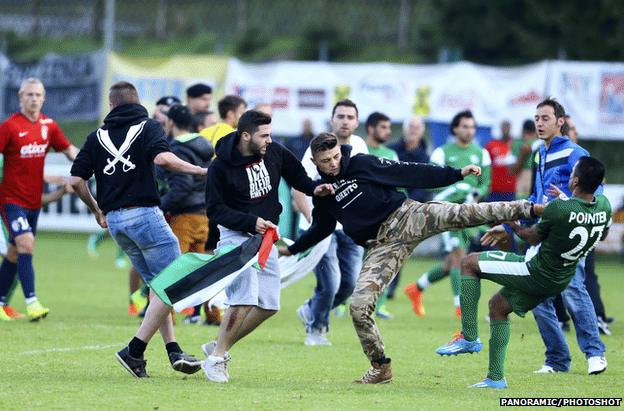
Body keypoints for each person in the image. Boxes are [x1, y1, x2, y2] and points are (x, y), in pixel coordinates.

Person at [279, 132, 542, 384]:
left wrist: (455, 174)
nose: (333, 163)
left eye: (336, 156)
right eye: (326, 161)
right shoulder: (322, 194)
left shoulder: (361, 163)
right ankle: (380, 367)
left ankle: (529, 208)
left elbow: (409, 171)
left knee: (464, 213)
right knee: (358, 307)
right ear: (315, 162)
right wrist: (292, 249)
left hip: (408, 217)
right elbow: (321, 228)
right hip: (381, 247)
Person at [70, 81, 207, 378]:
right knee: (173, 283)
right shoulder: (149, 127)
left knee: (160, 289)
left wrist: (97, 210)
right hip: (145, 216)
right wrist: (199, 170)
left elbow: (76, 181)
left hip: (117, 224)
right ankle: (134, 350)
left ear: (111, 105)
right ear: (137, 102)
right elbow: (163, 159)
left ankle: (173, 351)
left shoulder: (96, 137)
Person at [436, 157, 611, 389]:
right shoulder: (604, 206)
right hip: (560, 278)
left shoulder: (560, 208)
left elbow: (531, 236)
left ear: (575, 181)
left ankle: (468, 337)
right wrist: (566, 202)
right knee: (498, 306)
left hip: (534, 270)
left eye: (571, 174)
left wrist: (512, 223)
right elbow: (600, 233)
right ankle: (496, 378)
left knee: (468, 263)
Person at [201, 110, 334, 383]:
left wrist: (315, 188)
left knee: (269, 305)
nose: (269, 140)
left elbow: (297, 175)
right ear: (245, 135)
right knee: (244, 298)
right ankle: (216, 360)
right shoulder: (220, 167)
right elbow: (215, 210)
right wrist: (250, 221)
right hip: (236, 237)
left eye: (270, 134)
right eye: (264, 135)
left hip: (266, 237)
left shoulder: (274, 151)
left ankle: (218, 346)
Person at [482, 98, 608, 376]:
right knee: (538, 299)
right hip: (541, 238)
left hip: (566, 237)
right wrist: (505, 227)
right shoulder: (539, 153)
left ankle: (595, 354)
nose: (539, 122)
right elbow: (536, 198)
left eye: (545, 118)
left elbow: (596, 193)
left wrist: (570, 204)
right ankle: (557, 359)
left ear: (560, 122)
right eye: (537, 118)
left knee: (574, 291)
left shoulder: (576, 153)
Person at [0, 77, 80, 322]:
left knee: (14, 253)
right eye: (29, 94)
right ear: (20, 97)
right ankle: (33, 303)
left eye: (38, 95)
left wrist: (88, 165)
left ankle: (1, 302)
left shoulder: (49, 125)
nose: (34, 99)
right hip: (11, 200)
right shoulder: (9, 127)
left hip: (34, 201)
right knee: (26, 244)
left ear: (44, 98)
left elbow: (68, 150)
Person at [291, 99, 368, 346]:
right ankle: (316, 330)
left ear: (356, 122)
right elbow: (299, 189)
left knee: (350, 284)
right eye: (340, 116)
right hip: (322, 227)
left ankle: (311, 309)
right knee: (330, 281)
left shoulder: (360, 145)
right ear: (332, 119)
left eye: (350, 117)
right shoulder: (317, 148)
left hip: (350, 226)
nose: (345, 121)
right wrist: (313, 221)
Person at [404, 110, 491, 318]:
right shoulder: (441, 153)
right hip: (446, 212)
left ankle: (416, 288)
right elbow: (433, 182)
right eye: (465, 126)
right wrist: (459, 191)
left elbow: (485, 183)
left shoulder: (481, 154)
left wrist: (475, 195)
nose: (469, 131)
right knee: (459, 258)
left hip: (470, 213)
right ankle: (460, 308)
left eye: (472, 127)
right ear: (455, 129)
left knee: (451, 262)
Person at [161, 104, 214, 325]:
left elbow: (182, 187)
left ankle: (166, 317)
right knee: (200, 271)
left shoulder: (178, 149)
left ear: (170, 122)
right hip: (203, 216)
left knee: (172, 270)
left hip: (184, 217)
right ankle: (213, 313)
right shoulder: (203, 144)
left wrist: (161, 205)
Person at [364, 111, 399, 319]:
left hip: (383, 215)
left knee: (383, 261)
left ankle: (380, 305)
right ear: (371, 128)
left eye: (388, 127)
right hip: (359, 214)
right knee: (354, 261)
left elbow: (397, 184)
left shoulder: (391, 154)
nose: (387, 131)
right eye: (383, 127)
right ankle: (342, 303)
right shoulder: (359, 149)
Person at [388, 115, 431, 203]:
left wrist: (409, 202)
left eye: (417, 127)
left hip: (415, 205)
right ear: (404, 129)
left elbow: (425, 186)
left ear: (422, 131)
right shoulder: (389, 151)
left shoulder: (427, 158)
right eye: (411, 126)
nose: (413, 130)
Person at [485, 120, 516, 202]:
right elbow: (486, 167)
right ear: (501, 128)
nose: (505, 129)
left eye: (507, 127)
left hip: (510, 190)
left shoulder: (515, 145)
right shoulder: (491, 145)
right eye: (504, 127)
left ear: (510, 128)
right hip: (494, 190)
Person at [508, 120, 537, 199]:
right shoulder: (517, 143)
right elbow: (511, 171)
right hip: (523, 184)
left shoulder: (540, 143)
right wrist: (522, 155)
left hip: (532, 186)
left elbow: (511, 171)